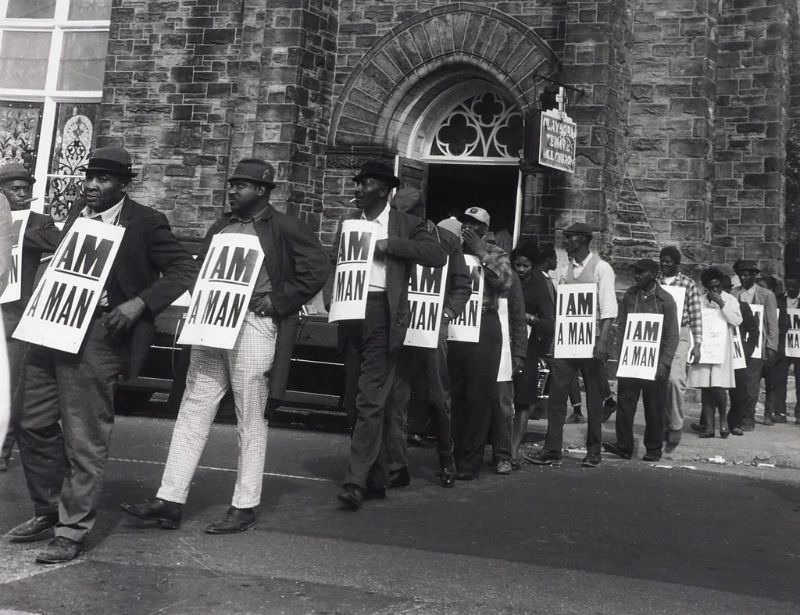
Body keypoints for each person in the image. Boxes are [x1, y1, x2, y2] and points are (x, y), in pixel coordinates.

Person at [5, 147, 198, 563]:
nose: (92, 185)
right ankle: (48, 509)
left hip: (99, 331)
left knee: (84, 435)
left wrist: (140, 303)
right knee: (30, 421)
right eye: (89, 177)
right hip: (53, 324)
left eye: (104, 179)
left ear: (124, 184)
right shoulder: (78, 211)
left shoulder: (146, 222)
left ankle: (71, 530)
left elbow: (185, 269)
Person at [121, 158, 330, 533]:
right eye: (232, 184)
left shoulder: (284, 226)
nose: (232, 190)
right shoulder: (222, 224)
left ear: (263, 191)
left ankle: (245, 504)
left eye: (242, 185)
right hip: (213, 322)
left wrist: (279, 301)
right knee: (193, 407)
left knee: (251, 414)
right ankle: (169, 499)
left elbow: (316, 267)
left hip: (253, 323)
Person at [334, 161, 446, 510]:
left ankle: (355, 481)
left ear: (383, 189)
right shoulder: (349, 224)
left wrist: (390, 246)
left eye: (363, 184)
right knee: (356, 400)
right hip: (351, 311)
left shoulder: (407, 225)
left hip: (384, 311)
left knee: (370, 399)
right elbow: (336, 262)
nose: (356, 189)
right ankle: (378, 477)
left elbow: (436, 255)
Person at [384, 188, 471, 488]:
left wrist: (446, 315)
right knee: (396, 399)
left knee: (438, 398)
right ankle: (397, 464)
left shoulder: (446, 242)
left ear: (419, 216)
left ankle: (447, 459)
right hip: (398, 327)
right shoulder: (389, 237)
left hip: (431, 331)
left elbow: (462, 285)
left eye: (406, 215)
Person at [528, 222, 617, 468]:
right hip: (567, 342)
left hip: (590, 343)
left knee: (593, 400)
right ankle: (552, 449)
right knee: (557, 396)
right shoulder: (565, 271)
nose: (566, 241)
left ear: (584, 240)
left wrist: (601, 341)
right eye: (565, 237)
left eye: (570, 237)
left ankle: (594, 451)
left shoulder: (602, 268)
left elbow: (609, 309)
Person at [0, 163, 61, 471]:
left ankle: (2, 449)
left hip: (14, 316)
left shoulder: (38, 221)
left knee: (8, 386)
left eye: (26, 188)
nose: (22, 193)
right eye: (14, 188)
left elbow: (60, 246)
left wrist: (21, 230)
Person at [448, 206, 512, 480]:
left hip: (484, 323)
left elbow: (504, 282)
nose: (468, 228)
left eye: (475, 224)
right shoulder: (454, 250)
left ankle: (469, 460)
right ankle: (451, 453)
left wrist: (481, 253)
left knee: (478, 395)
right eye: (465, 222)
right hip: (457, 322)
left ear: (485, 230)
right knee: (455, 393)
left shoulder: (497, 254)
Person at [602, 259, 678, 462]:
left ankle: (653, 449)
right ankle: (624, 445)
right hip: (632, 360)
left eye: (641, 272)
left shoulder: (666, 300)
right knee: (625, 405)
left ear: (653, 274)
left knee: (654, 408)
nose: (636, 276)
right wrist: (621, 357)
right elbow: (623, 325)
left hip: (655, 363)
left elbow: (672, 335)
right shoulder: (629, 296)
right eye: (635, 272)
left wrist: (664, 363)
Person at [510, 242, 554, 464]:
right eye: (517, 264)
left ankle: (514, 448)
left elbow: (549, 324)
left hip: (528, 348)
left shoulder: (540, 288)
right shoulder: (507, 281)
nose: (520, 269)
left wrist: (530, 318)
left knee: (523, 399)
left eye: (525, 266)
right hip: (505, 345)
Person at [656, 246, 703, 452]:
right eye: (662, 261)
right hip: (656, 333)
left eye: (668, 262)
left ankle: (675, 425)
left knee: (675, 380)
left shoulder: (688, 284)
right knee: (658, 381)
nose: (664, 265)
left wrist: (698, 343)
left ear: (677, 264)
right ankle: (660, 424)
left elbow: (695, 316)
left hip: (680, 334)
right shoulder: (654, 281)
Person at [688, 268, 742, 438]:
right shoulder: (700, 301)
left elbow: (736, 320)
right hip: (705, 348)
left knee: (718, 386)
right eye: (711, 288)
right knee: (706, 388)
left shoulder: (730, 300)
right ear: (705, 287)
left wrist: (721, 303)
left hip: (722, 349)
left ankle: (723, 421)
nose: (715, 291)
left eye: (718, 286)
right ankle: (709, 427)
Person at [729, 259, 778, 432]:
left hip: (757, 344)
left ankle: (747, 418)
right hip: (736, 343)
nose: (744, 278)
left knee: (751, 383)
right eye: (741, 275)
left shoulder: (766, 295)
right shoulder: (734, 293)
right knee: (736, 382)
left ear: (754, 276)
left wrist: (772, 347)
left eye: (747, 275)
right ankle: (734, 417)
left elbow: (772, 323)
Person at [490, 268, 527, 474]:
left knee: (503, 405)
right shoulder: (466, 266)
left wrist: (519, 353)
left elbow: (517, 316)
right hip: (475, 349)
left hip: (502, 350)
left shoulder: (508, 276)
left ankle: (503, 455)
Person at [767, 277, 800, 424]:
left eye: (794, 286)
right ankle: (779, 412)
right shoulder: (779, 298)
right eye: (788, 286)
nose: (791, 289)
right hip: (783, 346)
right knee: (779, 380)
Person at [758, 275, 789, 423]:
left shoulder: (779, 305)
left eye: (763, 287)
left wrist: (771, 342)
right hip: (757, 349)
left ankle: (768, 413)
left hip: (772, 350)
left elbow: (783, 326)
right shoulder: (755, 302)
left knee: (771, 383)